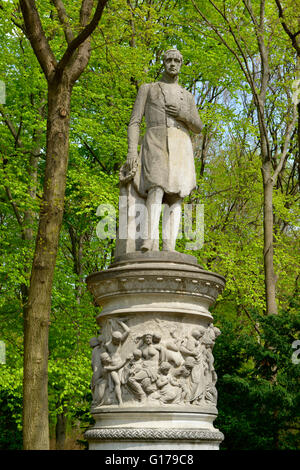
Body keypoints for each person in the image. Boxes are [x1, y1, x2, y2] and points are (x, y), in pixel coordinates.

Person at [123, 49, 202, 252]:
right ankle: (149, 240)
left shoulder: (188, 96)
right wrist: (132, 151)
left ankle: (169, 246)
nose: (172, 64)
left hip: (181, 145)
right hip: (155, 140)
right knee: (156, 188)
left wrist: (183, 114)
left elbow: (198, 126)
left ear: (181, 64)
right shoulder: (148, 89)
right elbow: (134, 122)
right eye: (169, 60)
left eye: (176, 60)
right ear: (163, 62)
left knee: (176, 195)